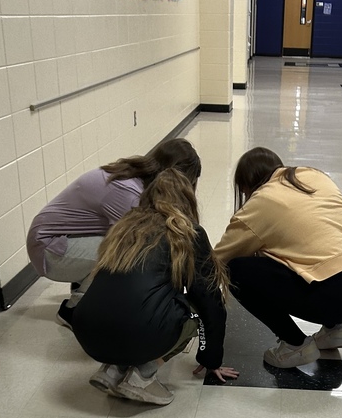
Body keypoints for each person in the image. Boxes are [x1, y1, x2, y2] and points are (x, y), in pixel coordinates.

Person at [71, 168, 238, 406]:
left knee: (129, 301)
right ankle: (142, 376)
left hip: (87, 331)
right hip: (135, 333)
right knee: (191, 309)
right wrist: (212, 359)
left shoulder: (123, 227)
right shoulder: (187, 232)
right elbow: (209, 300)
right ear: (188, 199)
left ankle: (111, 369)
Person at [214, 147, 342, 368]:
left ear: (247, 185)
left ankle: (295, 345)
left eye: (244, 192)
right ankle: (334, 330)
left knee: (236, 270)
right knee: (310, 256)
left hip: (337, 295)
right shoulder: (314, 175)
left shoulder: (260, 203)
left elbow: (217, 261)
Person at [26, 139, 201, 328]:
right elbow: (144, 245)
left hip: (63, 241)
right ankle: (72, 310)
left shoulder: (136, 177)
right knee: (127, 253)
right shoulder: (127, 192)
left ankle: (83, 284)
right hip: (48, 249)